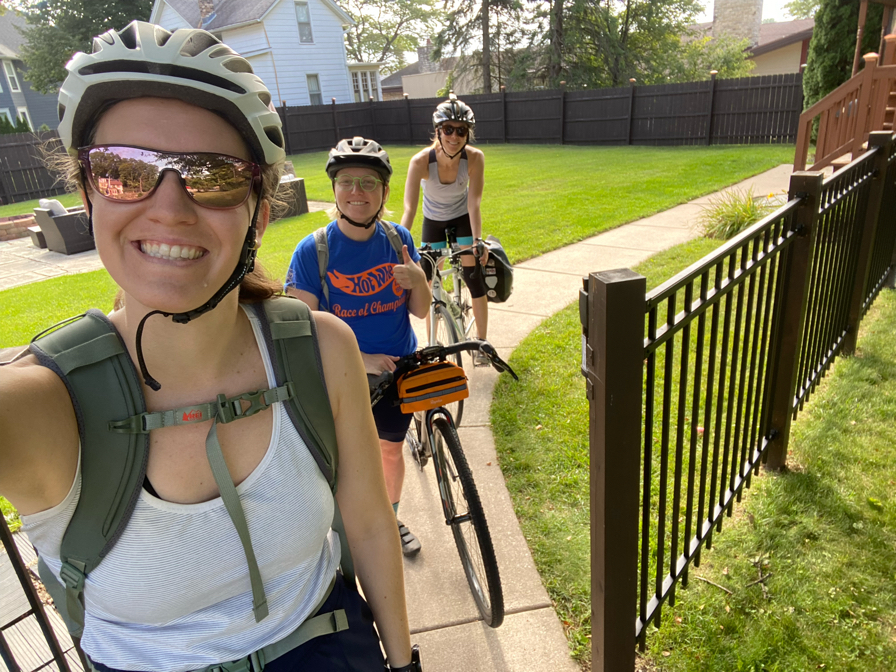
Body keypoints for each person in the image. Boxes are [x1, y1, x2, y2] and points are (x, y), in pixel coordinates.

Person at [0, 21, 418, 672]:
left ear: (259, 210)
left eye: (213, 176)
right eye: (123, 171)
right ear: (86, 192)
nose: (169, 209)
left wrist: (404, 660)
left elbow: (366, 522)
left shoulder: (319, 350)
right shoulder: (39, 404)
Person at [284, 137, 431, 557]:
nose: (357, 192)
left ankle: (389, 518)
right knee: (343, 463)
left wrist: (418, 282)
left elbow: (420, 312)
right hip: (343, 376)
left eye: (368, 183)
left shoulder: (396, 237)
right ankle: (344, 525)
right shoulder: (314, 251)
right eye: (347, 182)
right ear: (334, 190)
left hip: (398, 366)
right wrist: (359, 358)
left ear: (385, 192)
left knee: (388, 450)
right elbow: (302, 330)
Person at [400, 94, 490, 366]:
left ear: (467, 134)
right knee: (427, 282)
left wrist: (477, 241)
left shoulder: (474, 158)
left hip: (461, 217)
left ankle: (482, 345)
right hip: (433, 220)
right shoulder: (420, 162)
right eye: (448, 129)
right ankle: (432, 341)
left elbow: (474, 203)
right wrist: (399, 246)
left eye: (461, 131)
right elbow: (410, 210)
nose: (454, 136)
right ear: (437, 131)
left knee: (475, 278)